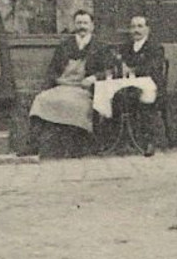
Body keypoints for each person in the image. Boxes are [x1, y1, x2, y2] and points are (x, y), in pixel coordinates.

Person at [28, 10, 119, 157]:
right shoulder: (64, 46)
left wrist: (94, 77)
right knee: (41, 99)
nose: (82, 26)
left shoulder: (101, 47)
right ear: (74, 25)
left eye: (85, 23)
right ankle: (33, 144)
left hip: (83, 89)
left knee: (76, 105)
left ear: (92, 26)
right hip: (62, 86)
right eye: (79, 23)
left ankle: (79, 146)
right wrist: (49, 84)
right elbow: (52, 69)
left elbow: (110, 70)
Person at [114, 14, 168, 151]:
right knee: (116, 97)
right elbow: (119, 65)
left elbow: (153, 68)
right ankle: (120, 140)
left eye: (140, 26)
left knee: (143, 97)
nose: (136, 30)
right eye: (132, 27)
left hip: (151, 86)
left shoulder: (155, 47)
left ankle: (149, 141)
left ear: (147, 29)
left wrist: (131, 70)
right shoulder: (125, 48)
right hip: (129, 86)